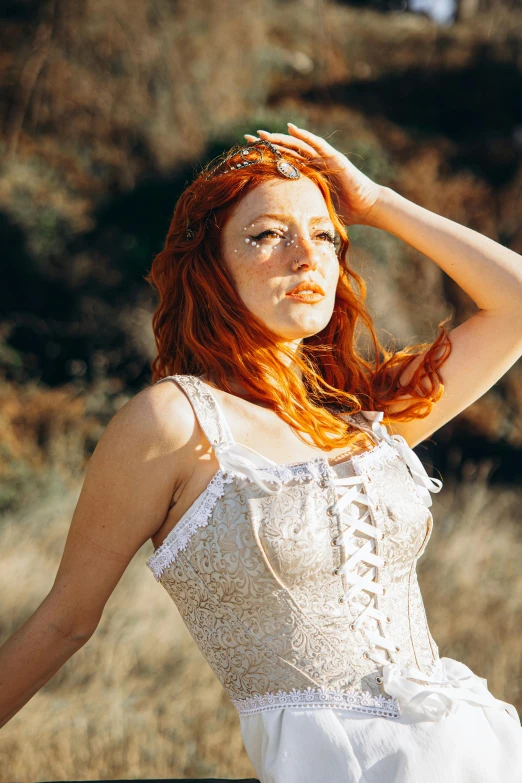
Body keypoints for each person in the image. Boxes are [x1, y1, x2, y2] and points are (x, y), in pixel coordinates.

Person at [1, 124, 521, 783]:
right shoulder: (174, 420)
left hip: (480, 751)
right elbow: (64, 621)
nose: (306, 255)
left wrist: (378, 200)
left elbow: (516, 304)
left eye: (325, 234)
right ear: (213, 266)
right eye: (267, 234)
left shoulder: (363, 417)